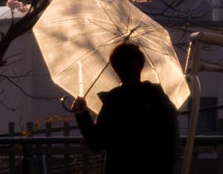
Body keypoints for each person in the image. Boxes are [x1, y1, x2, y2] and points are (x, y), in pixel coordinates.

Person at [72, 41, 180, 174]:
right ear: (140, 65)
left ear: (115, 68)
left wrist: (81, 114)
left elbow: (96, 142)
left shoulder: (115, 101)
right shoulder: (160, 99)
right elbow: (172, 142)